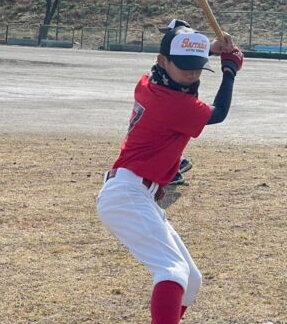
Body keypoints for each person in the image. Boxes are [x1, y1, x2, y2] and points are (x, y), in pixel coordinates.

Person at [96, 19, 243, 324]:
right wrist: (229, 71)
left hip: (138, 193)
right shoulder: (173, 103)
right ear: (162, 61)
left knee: (191, 282)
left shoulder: (150, 82)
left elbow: (179, 56)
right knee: (172, 271)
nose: (191, 74)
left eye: (197, 66)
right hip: (127, 194)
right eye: (184, 66)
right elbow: (219, 114)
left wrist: (209, 49)